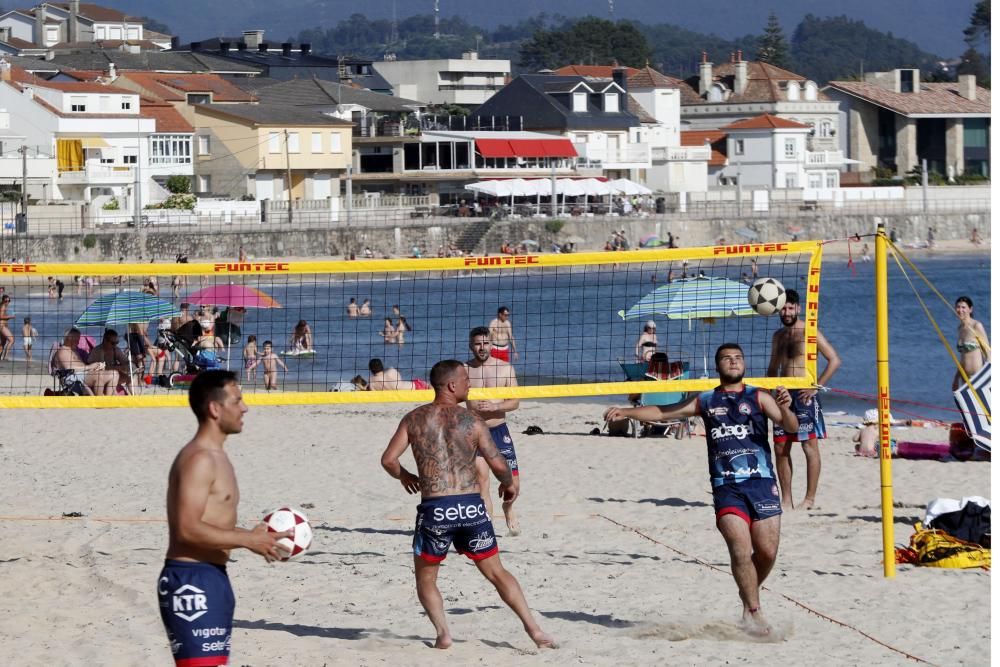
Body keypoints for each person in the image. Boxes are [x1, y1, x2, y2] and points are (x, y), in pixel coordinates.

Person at [604, 343, 797, 637]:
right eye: (727, 359)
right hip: (726, 487)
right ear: (718, 366)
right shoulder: (707, 400)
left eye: (738, 358)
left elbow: (791, 426)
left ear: (744, 364)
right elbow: (663, 412)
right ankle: (753, 612)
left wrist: (785, 406)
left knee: (768, 553)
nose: (733, 362)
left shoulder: (759, 396)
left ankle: (748, 594)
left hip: (761, 483)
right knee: (741, 551)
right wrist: (627, 412)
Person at [380, 359, 555, 650]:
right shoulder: (472, 421)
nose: (470, 384)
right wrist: (509, 484)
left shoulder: (414, 419)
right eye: (465, 380)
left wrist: (407, 476)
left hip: (436, 508)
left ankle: (443, 634)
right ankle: (535, 630)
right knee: (498, 573)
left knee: (426, 579)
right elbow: (497, 460)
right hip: (472, 507)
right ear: (451, 385)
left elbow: (388, 460)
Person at [158, 370, 292, 667]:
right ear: (215, 409)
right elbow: (186, 529)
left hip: (213, 577)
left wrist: (258, 538)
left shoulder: (218, 457)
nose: (245, 407)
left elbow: (211, 523)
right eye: (237, 400)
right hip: (191, 582)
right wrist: (248, 539)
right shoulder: (199, 459)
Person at [767, 289, 840, 510]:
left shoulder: (810, 332)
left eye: (790, 308)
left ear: (798, 308)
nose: (787, 312)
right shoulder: (778, 336)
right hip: (782, 394)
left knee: (809, 446)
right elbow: (772, 368)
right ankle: (786, 499)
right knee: (780, 448)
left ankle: (809, 499)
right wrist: (768, 394)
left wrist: (816, 387)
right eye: (783, 308)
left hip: (804, 394)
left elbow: (834, 360)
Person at [466, 327, 521, 535]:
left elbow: (515, 402)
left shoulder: (505, 369)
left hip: (498, 430)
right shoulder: (463, 370)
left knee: (513, 486)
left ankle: (508, 508)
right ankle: (486, 527)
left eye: (485, 343)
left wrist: (495, 406)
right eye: (477, 344)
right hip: (475, 432)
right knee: (482, 481)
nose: (482, 347)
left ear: (491, 344)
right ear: (471, 345)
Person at [51, 328, 116, 396]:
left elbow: (82, 366)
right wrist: (89, 367)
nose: (78, 342)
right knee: (99, 376)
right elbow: (69, 368)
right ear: (69, 339)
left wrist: (94, 367)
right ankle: (99, 400)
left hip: (82, 375)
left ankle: (108, 400)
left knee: (114, 374)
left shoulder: (74, 351)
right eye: (77, 340)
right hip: (72, 378)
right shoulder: (62, 351)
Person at [952, 296, 990, 391]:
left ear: (970, 309)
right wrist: (956, 378)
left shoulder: (976, 326)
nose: (960, 310)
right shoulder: (960, 328)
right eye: (958, 307)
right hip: (965, 379)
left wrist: (988, 377)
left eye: (963, 307)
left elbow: (989, 353)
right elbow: (963, 358)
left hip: (978, 377)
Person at [87, 328, 131, 393]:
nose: (115, 345)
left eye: (117, 342)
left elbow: (126, 363)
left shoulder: (115, 349)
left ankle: (135, 397)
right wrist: (119, 367)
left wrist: (129, 364)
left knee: (129, 378)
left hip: (111, 375)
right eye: (113, 343)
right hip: (98, 377)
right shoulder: (97, 351)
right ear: (105, 340)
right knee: (114, 374)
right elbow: (99, 368)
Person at [0, 294, 13, 360]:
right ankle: (5, 357)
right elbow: (1, 316)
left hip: (3, 326)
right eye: (6, 301)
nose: (7, 302)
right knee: (11, 340)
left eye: (9, 301)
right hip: (2, 326)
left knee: (3, 342)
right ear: (3, 301)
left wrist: (7, 318)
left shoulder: (3, 306)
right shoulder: (3, 306)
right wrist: (10, 316)